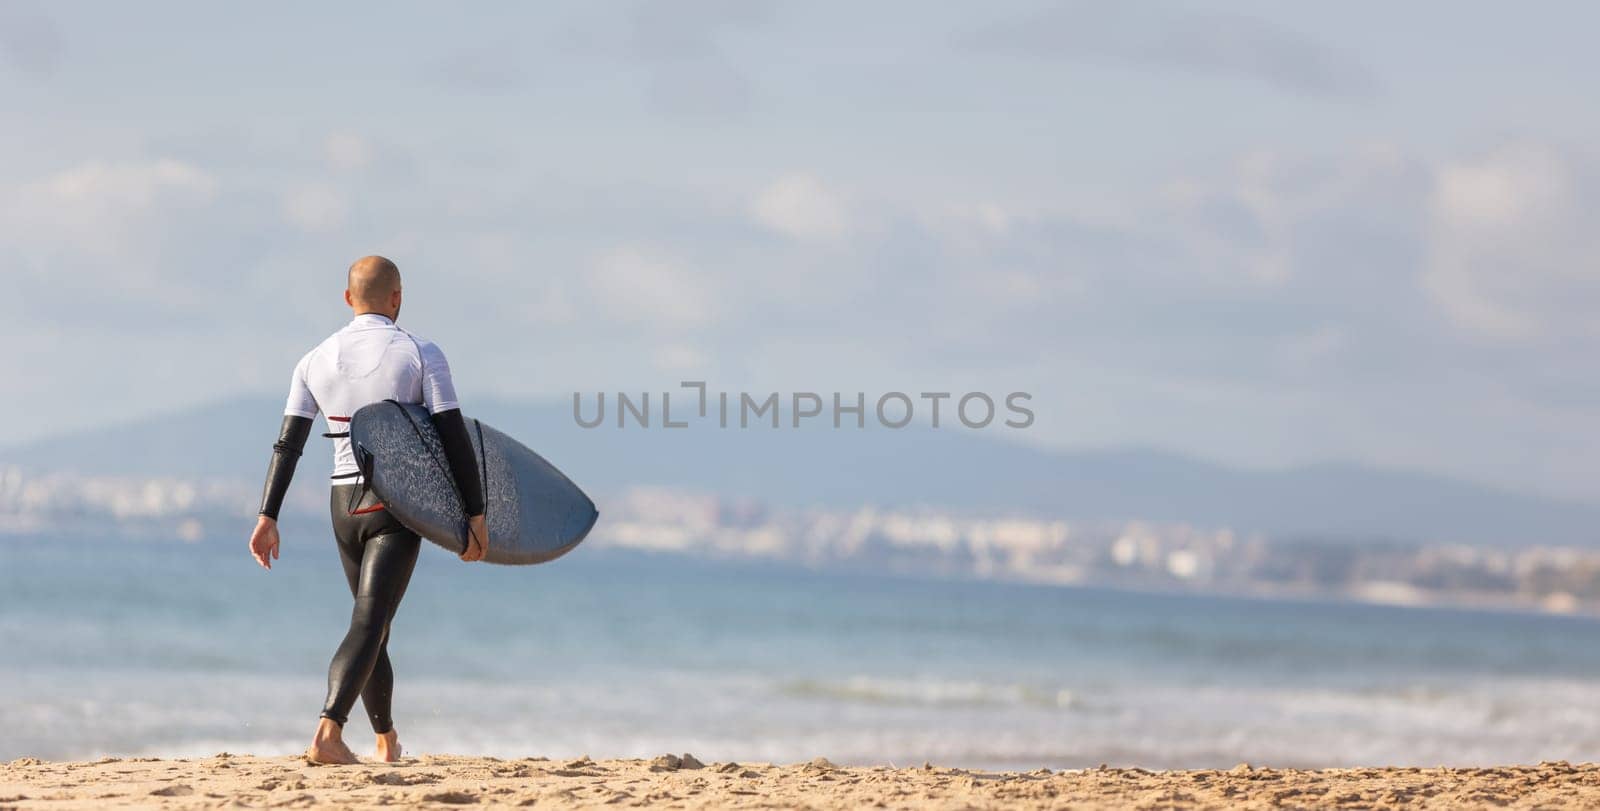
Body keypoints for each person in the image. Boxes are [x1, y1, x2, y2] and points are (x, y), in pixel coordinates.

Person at [246, 256, 489, 765]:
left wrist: (268, 515)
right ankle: (327, 734)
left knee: (372, 621)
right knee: (370, 621)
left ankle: (386, 740)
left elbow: (287, 444)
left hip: (343, 506)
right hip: (395, 502)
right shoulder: (421, 352)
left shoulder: (313, 359)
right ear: (397, 297)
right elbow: (451, 433)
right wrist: (475, 512)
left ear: (347, 298)